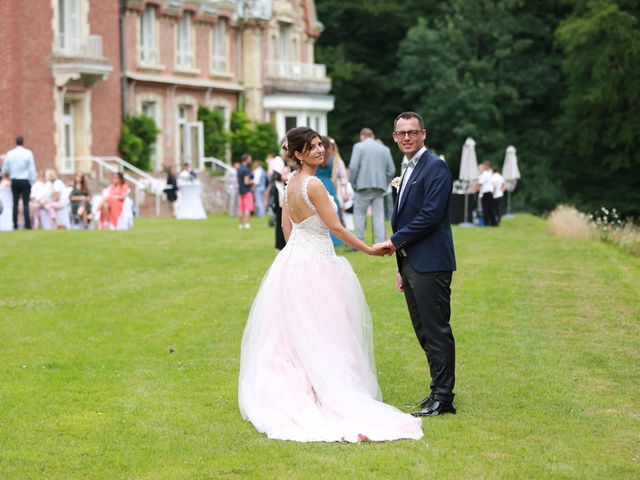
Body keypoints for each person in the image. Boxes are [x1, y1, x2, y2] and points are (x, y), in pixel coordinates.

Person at [238, 126, 423, 443]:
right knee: (327, 330)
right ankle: (328, 392)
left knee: (297, 332)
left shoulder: (289, 184)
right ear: (298, 154)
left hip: (292, 264)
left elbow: (287, 228)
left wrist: (296, 252)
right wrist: (368, 248)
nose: (320, 150)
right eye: (312, 147)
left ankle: (308, 388)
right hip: (317, 266)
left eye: (320, 145)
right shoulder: (313, 186)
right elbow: (336, 228)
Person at [375, 111, 457, 417]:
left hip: (432, 262)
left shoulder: (436, 168)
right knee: (423, 330)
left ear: (424, 134)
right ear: (395, 137)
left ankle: (444, 398)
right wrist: (401, 266)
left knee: (436, 330)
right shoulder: (408, 168)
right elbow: (406, 216)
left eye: (412, 132)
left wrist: (394, 242)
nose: (407, 137)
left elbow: (429, 216)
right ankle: (438, 390)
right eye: (401, 133)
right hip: (412, 264)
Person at [349, 128, 396, 244]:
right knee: (379, 216)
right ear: (373, 136)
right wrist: (385, 183)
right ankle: (380, 242)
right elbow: (392, 170)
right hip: (379, 187)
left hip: (362, 185)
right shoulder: (384, 149)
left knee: (359, 214)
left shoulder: (358, 147)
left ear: (362, 136)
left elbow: (353, 167)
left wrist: (353, 183)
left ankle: (359, 242)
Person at [316, 136, 344, 247]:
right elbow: (334, 175)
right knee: (333, 211)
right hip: (329, 184)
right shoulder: (332, 158)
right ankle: (337, 240)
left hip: (318, 183)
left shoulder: (317, 157)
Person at [4, 136, 36, 229]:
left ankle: (15, 224)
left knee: (15, 203)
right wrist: (32, 181)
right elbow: (31, 169)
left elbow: (6, 168)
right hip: (25, 180)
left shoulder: (10, 153)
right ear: (23, 142)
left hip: (15, 180)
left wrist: (9, 176)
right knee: (26, 203)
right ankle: (27, 224)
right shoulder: (28, 153)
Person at [268, 155, 288, 251]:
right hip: (280, 195)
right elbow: (276, 176)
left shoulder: (288, 160)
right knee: (280, 222)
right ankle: (280, 246)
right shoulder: (278, 160)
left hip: (284, 193)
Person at [474, 162, 495, 226]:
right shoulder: (487, 174)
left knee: (485, 209)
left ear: (483, 168)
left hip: (486, 193)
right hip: (489, 193)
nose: (478, 170)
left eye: (479, 168)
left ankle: (486, 223)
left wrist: (475, 189)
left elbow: (480, 183)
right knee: (489, 209)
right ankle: (493, 223)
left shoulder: (484, 174)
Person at [237, 154, 254, 229]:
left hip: (241, 191)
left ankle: (240, 224)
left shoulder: (239, 169)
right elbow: (246, 182)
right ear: (246, 160)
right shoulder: (246, 169)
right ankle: (247, 224)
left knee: (241, 209)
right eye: (249, 159)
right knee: (247, 208)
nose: (250, 160)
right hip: (247, 191)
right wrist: (253, 182)